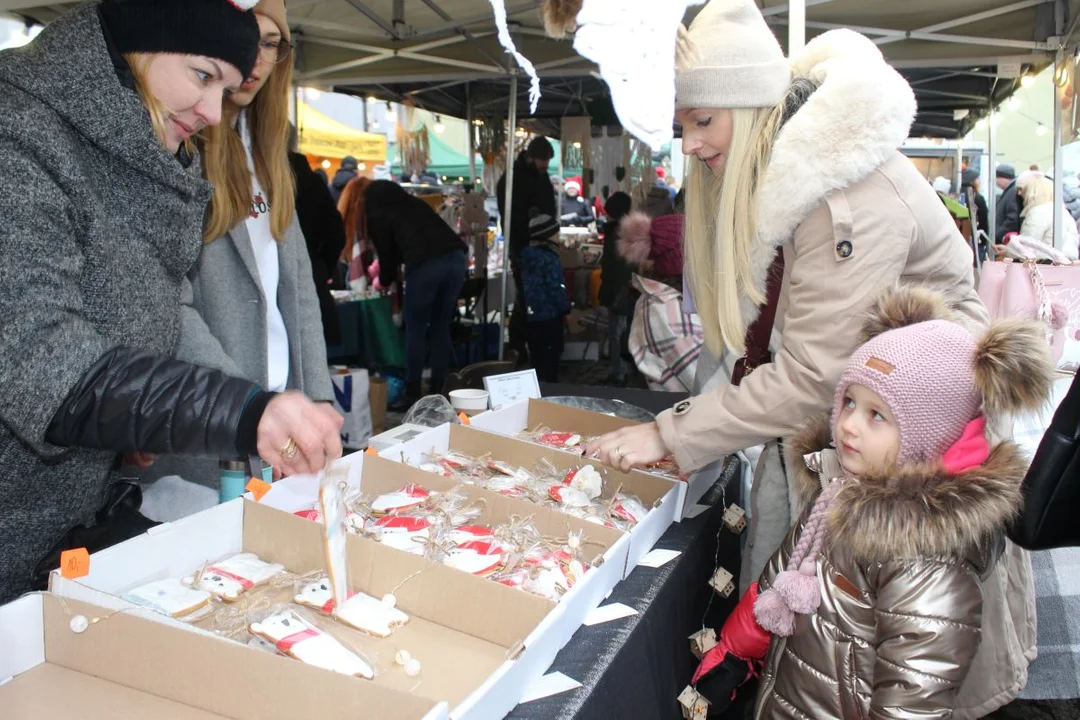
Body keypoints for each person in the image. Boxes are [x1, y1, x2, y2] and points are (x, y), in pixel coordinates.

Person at [587, 2, 1030, 715]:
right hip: (869, 448)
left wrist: (671, 434)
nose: (692, 144)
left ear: (751, 102)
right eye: (683, 126)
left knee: (896, 660)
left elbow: (810, 376)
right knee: (830, 658)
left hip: (908, 471)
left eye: (704, 120)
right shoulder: (798, 176)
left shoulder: (838, 193)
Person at [0, 0, 343, 604]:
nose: (213, 113)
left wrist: (133, 419)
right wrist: (243, 410)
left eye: (228, 88)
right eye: (203, 75)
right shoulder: (18, 133)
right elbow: (42, 363)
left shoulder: (143, 148)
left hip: (60, 531)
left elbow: (143, 310)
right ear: (141, 40)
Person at [691, 287, 1053, 718]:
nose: (848, 425)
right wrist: (739, 640)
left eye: (876, 415)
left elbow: (914, 693)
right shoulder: (840, 489)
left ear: (927, 436)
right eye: (848, 402)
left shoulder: (926, 558)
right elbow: (787, 571)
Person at [162, 0, 334, 489]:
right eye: (245, 36)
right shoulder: (180, 147)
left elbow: (298, 290)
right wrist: (246, 407)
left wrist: (316, 396)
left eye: (271, 44)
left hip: (277, 422)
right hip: (214, 427)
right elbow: (166, 302)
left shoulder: (265, 152)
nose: (255, 58)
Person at [339, 179, 468, 408]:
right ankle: (439, 390)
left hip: (425, 266)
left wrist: (382, 282)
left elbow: (388, 257)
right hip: (457, 259)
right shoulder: (414, 203)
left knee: (415, 329)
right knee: (441, 327)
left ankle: (413, 393)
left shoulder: (378, 213)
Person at [497, 137, 557, 365]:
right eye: (543, 159)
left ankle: (532, 348)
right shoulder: (512, 180)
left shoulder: (540, 177)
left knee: (531, 298)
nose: (545, 165)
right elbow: (512, 216)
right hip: (522, 246)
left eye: (548, 160)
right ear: (531, 156)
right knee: (525, 299)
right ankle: (519, 349)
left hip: (540, 245)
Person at [289, 134, 346, 347]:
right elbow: (336, 233)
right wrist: (323, 267)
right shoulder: (312, 182)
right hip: (312, 274)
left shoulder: (263, 177)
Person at [521, 211, 570, 382]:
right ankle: (549, 393)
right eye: (556, 233)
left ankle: (537, 391)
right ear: (547, 236)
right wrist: (565, 306)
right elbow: (555, 286)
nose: (558, 236)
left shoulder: (527, 257)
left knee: (537, 357)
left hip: (533, 316)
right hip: (550, 315)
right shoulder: (549, 258)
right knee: (551, 358)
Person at [599, 192, 634, 384]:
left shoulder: (616, 234)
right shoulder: (629, 231)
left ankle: (619, 373)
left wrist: (608, 293)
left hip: (619, 291)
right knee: (624, 331)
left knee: (617, 333)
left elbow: (612, 268)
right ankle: (624, 370)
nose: (606, 215)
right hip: (628, 289)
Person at [1018, 175, 1080, 260]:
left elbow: (1026, 247)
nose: (1020, 194)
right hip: (1068, 261)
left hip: (1046, 263)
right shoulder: (1063, 212)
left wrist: (1008, 252)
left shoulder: (1038, 212)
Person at [995, 163, 1022, 242]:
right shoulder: (1009, 191)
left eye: (998, 177)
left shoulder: (1012, 192)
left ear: (1005, 177)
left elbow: (1013, 218)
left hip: (1006, 239)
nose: (996, 180)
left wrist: (999, 234)